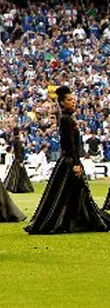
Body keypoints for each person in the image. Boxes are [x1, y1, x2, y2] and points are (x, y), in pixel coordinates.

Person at [26, 86, 110, 234]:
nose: (74, 102)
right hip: (70, 161)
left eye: (73, 99)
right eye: (70, 100)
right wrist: (76, 163)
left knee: (69, 194)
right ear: (62, 103)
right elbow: (69, 143)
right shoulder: (66, 119)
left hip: (68, 160)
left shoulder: (67, 118)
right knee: (75, 193)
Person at [4, 128, 34, 194]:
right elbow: (19, 152)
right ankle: (20, 188)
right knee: (20, 175)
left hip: (16, 159)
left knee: (15, 175)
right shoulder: (18, 142)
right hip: (18, 160)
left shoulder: (14, 141)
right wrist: (20, 161)